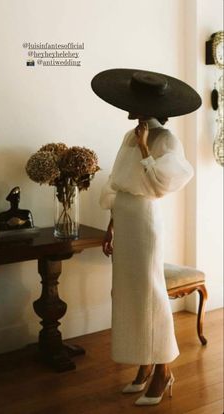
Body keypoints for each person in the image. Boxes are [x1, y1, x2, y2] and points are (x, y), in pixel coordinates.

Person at [91, 69, 201, 406]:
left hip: (144, 220)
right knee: (127, 294)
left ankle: (163, 370)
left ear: (146, 106)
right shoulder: (127, 135)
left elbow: (161, 184)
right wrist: (110, 224)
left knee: (149, 294)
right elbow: (118, 182)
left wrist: (144, 147)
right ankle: (143, 365)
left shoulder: (166, 139)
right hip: (124, 218)